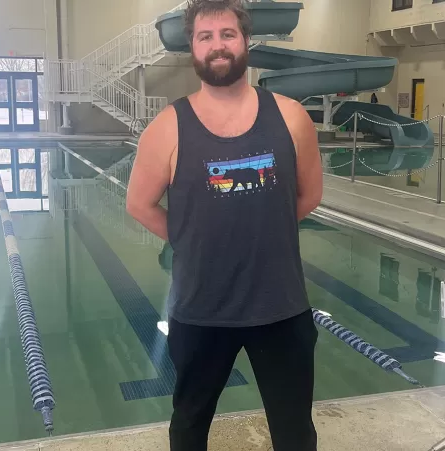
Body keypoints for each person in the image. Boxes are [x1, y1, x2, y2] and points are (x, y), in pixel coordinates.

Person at [126, 0, 323, 449]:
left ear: (246, 41)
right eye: (205, 37)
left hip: (281, 306)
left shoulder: (291, 117)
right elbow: (140, 204)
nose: (218, 46)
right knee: (190, 425)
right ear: (193, 48)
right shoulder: (167, 126)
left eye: (227, 34)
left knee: (295, 432)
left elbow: (310, 194)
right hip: (200, 309)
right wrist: (194, 241)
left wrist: (260, 231)